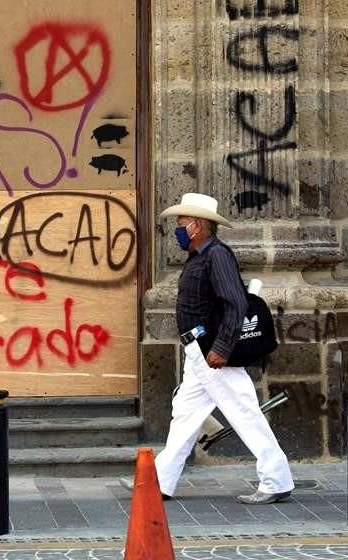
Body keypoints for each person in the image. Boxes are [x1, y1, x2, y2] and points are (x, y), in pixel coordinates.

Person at [122, 192, 293, 504]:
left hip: (211, 352)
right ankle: (159, 480)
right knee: (185, 416)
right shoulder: (200, 256)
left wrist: (223, 347)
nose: (177, 228)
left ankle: (276, 478)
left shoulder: (217, 256)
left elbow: (236, 302)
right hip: (197, 350)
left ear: (197, 226)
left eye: (181, 222)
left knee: (243, 413)